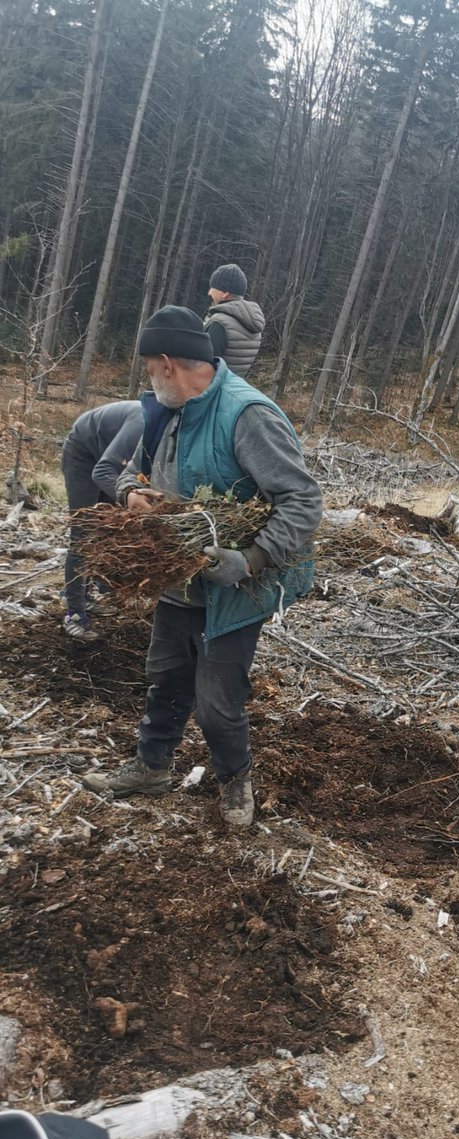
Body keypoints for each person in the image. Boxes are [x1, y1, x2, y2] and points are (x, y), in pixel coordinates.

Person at [82, 306, 322, 827]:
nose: (149, 376)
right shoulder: (166, 410)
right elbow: (128, 470)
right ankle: (151, 768)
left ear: (168, 363)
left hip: (236, 587)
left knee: (217, 701)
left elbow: (302, 500)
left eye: (149, 367)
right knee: (166, 677)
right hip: (179, 574)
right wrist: (132, 494)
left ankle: (236, 782)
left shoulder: (246, 415)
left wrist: (252, 558)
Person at [60, 401, 144, 640]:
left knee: (108, 528)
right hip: (83, 454)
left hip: (110, 462)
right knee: (83, 534)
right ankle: (74, 613)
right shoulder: (143, 423)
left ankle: (87, 595)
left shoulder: (172, 433)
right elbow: (101, 471)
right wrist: (129, 497)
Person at [204, 263, 265, 377]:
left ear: (225, 293)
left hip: (210, 390)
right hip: (229, 388)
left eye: (213, 288)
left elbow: (203, 366)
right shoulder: (254, 322)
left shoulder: (220, 323)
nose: (209, 292)